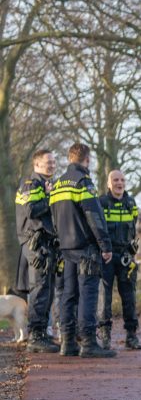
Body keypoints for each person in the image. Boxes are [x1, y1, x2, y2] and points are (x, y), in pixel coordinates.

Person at [49, 143, 116, 358]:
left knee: (68, 295)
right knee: (88, 294)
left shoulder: (57, 185)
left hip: (65, 248)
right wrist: (105, 245)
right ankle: (88, 342)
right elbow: (94, 216)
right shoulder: (83, 182)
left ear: (69, 158)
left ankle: (67, 342)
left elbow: (53, 217)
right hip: (86, 248)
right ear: (86, 160)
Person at [15, 149, 60, 353]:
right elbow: (31, 210)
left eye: (53, 162)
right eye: (47, 162)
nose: (52, 165)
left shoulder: (44, 184)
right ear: (37, 165)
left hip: (44, 244)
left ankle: (42, 333)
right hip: (35, 244)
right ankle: (35, 335)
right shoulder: (31, 185)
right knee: (40, 289)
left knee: (47, 289)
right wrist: (50, 197)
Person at [97, 169, 141, 351]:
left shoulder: (131, 203)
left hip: (125, 256)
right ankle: (105, 336)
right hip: (106, 256)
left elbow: (133, 227)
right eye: (115, 180)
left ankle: (131, 336)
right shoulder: (101, 202)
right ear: (108, 184)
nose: (119, 183)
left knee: (129, 297)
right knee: (104, 297)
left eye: (122, 180)